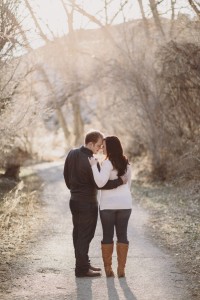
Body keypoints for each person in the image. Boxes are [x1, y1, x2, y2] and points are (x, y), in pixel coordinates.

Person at [63, 130, 126, 278]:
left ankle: (84, 264)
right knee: (85, 235)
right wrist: (120, 181)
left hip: (74, 201)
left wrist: (74, 190)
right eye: (98, 145)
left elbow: (66, 176)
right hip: (87, 203)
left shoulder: (72, 153)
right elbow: (101, 184)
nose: (100, 149)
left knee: (78, 234)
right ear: (90, 144)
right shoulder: (92, 160)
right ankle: (81, 270)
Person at [88, 136, 132, 278]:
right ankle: (121, 270)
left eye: (105, 146)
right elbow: (128, 184)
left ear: (111, 147)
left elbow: (100, 183)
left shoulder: (107, 163)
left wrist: (94, 165)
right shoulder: (126, 162)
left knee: (107, 236)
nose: (102, 148)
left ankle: (108, 269)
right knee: (122, 235)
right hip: (125, 203)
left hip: (108, 205)